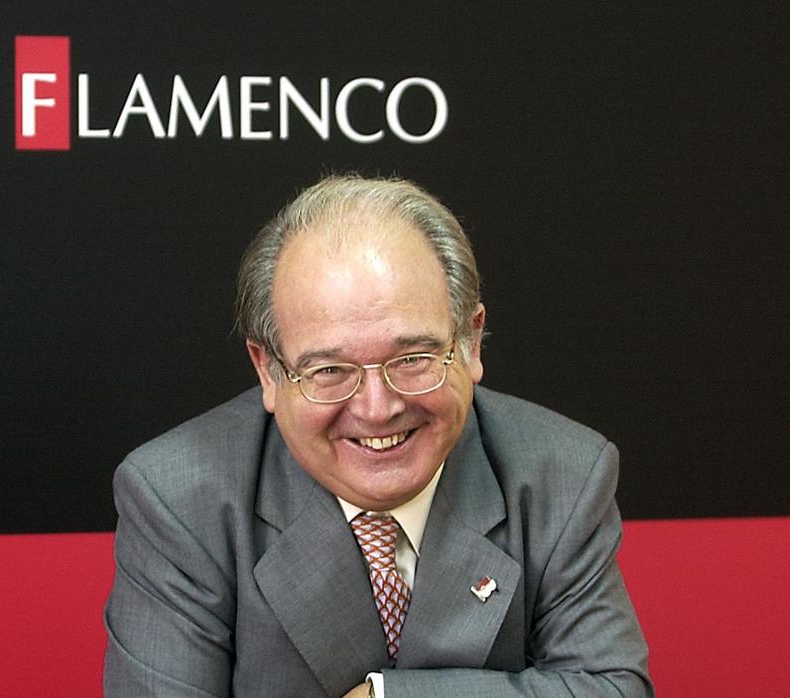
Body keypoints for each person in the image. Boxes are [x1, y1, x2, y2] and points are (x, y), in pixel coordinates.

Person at [102, 175, 652, 697]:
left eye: (412, 359)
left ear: (470, 343)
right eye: (329, 371)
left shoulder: (563, 473)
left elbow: (611, 688)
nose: (377, 407)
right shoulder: (179, 499)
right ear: (268, 371)